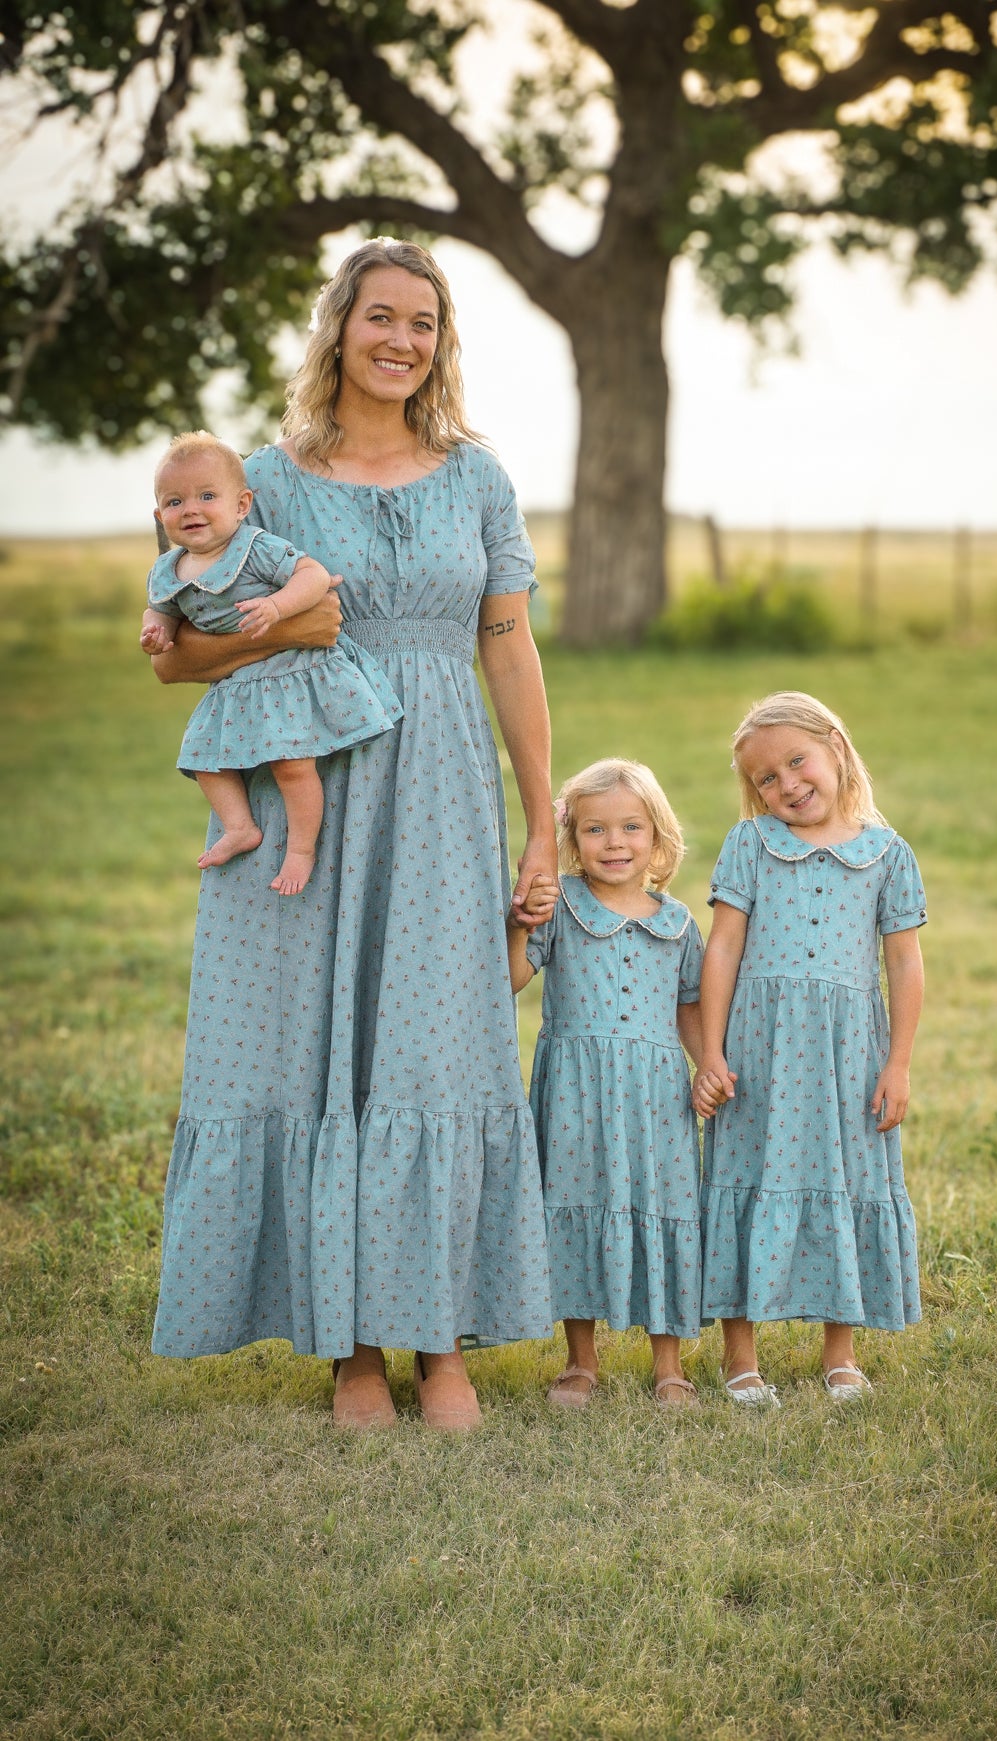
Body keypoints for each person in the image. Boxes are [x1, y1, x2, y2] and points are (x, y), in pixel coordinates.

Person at [147, 238, 556, 1432]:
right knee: (310, 1049)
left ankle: (441, 1343)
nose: (402, 341)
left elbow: (508, 649)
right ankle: (352, 1350)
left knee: (435, 1050)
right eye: (382, 316)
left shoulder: (477, 478)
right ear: (340, 327)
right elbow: (181, 658)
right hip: (305, 788)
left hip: (440, 790)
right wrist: (295, 628)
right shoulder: (261, 482)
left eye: (424, 323)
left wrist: (541, 821)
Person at [692, 692, 925, 1404]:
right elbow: (722, 948)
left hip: (846, 1056)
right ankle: (739, 1356)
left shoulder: (887, 855)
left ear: (836, 748)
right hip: (758, 1052)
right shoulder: (750, 845)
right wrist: (711, 1052)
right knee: (743, 1177)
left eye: (797, 761)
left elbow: (904, 963)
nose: (787, 784)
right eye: (767, 778)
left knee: (843, 1180)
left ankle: (840, 1354)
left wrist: (897, 1063)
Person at [508, 760, 705, 1409]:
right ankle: (580, 1360)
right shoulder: (560, 906)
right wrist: (519, 919)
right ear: (572, 838)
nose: (614, 842)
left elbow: (690, 1007)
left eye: (630, 827)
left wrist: (708, 1066)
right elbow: (511, 978)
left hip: (656, 1098)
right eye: (595, 829)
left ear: (658, 834)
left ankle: (669, 1363)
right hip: (576, 1090)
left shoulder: (677, 923)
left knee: (662, 1209)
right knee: (575, 1203)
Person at [141, 430, 403, 896]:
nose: (191, 509)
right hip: (235, 683)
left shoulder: (255, 547)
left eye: (207, 496)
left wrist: (277, 607)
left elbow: (313, 575)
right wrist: (156, 629)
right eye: (175, 502)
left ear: (242, 505)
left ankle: (301, 850)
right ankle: (240, 826)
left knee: (291, 765)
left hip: (288, 675)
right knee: (204, 757)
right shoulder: (168, 569)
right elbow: (161, 609)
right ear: (161, 516)